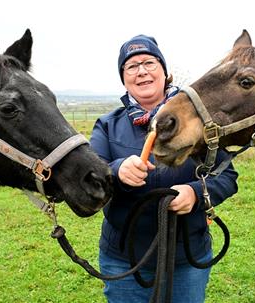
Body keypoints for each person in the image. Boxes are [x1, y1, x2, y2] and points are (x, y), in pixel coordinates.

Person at [90, 34, 238, 303]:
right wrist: (117, 170)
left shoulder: (197, 123)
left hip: (186, 258)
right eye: (131, 66)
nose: (142, 71)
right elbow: (91, 175)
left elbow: (226, 175)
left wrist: (196, 193)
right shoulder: (106, 125)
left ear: (164, 71)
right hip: (123, 259)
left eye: (149, 62)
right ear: (123, 77)